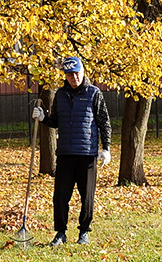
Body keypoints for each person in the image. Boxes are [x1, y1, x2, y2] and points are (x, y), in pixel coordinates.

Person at [47, 56, 113, 247]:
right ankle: (60, 233)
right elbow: (55, 121)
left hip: (87, 154)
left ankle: (84, 231)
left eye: (76, 73)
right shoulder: (60, 95)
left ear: (83, 72)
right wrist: (43, 118)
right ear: (65, 76)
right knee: (60, 196)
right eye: (69, 74)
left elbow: (104, 122)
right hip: (65, 154)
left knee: (87, 196)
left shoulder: (94, 93)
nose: (74, 77)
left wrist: (106, 148)